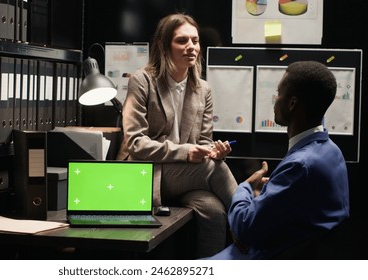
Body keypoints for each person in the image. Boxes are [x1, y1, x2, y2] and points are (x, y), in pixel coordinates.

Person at [116, 13, 238, 258]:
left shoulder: (203, 89)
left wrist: (214, 152)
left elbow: (203, 143)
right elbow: (136, 143)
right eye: (182, 41)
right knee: (211, 169)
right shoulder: (143, 81)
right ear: (163, 45)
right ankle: (253, 225)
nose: (191, 47)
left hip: (184, 176)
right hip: (147, 173)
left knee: (214, 210)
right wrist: (187, 152)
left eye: (195, 40)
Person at [204, 61, 350, 260]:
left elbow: (245, 228)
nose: (275, 99)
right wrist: (268, 192)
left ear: (292, 104)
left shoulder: (300, 165)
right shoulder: (331, 151)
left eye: (279, 92)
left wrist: (245, 187)